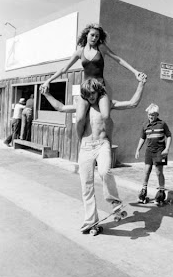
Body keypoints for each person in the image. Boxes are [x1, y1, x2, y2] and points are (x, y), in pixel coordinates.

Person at [41, 77, 146, 232]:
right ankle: (92, 222)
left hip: (102, 144)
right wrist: (47, 95)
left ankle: (115, 202)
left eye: (93, 93)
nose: (91, 97)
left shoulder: (108, 104)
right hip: (86, 146)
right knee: (86, 186)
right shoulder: (82, 106)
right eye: (87, 94)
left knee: (104, 171)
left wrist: (141, 84)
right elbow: (61, 107)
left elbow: (132, 103)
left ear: (98, 92)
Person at [39, 23, 146, 147]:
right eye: (92, 35)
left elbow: (118, 59)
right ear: (86, 35)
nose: (94, 38)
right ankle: (81, 142)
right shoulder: (79, 52)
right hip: (86, 90)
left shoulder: (101, 48)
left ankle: (108, 141)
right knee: (79, 119)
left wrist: (135, 72)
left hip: (100, 89)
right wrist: (48, 81)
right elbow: (64, 69)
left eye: (97, 36)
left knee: (106, 115)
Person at [134, 103, 172, 206]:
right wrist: (138, 149)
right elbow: (142, 138)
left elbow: (169, 136)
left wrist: (167, 149)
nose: (151, 117)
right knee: (146, 171)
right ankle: (143, 191)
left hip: (160, 151)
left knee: (159, 172)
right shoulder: (145, 124)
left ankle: (161, 192)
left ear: (157, 114)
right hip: (149, 151)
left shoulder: (162, 124)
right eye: (149, 115)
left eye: (153, 115)